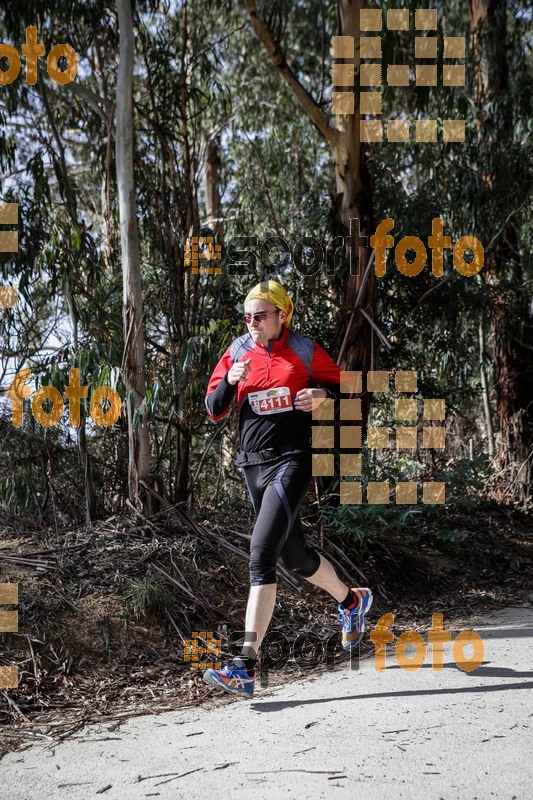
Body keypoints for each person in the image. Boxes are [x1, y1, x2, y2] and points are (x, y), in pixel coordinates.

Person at [203, 280, 372, 698]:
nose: (253, 323)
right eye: (248, 317)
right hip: (252, 467)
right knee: (295, 557)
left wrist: (321, 394)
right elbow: (213, 408)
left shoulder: (305, 350)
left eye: (261, 315)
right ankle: (352, 601)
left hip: (293, 460)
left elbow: (351, 387)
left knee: (261, 553)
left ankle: (245, 665)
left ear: (282, 315)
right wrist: (229, 379)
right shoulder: (238, 351)